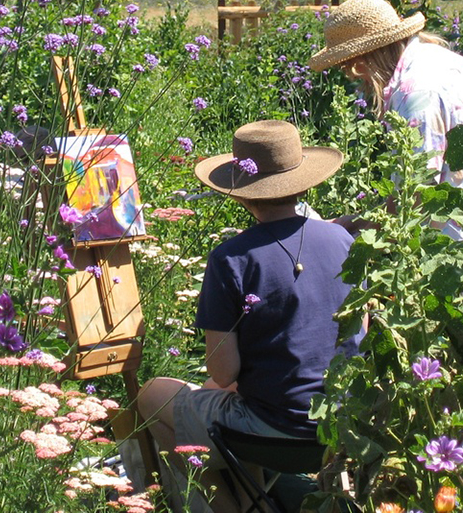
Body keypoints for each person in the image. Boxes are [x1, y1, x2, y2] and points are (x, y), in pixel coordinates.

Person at [137, 120, 361, 513]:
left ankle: (238, 509)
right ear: (305, 182)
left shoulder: (231, 258)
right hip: (345, 423)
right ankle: (253, 498)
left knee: (153, 395)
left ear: (242, 194)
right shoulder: (343, 240)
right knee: (235, 394)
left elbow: (224, 373)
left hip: (275, 432)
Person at [310, 0, 463, 235]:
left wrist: (349, 239)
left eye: (346, 66)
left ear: (361, 61)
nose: (353, 77)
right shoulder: (436, 61)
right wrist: (352, 222)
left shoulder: (416, 95)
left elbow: (415, 198)